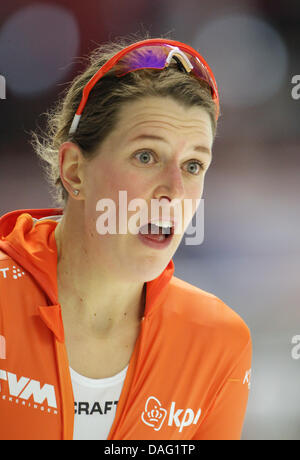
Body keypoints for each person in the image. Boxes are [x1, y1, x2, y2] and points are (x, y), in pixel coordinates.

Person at [0, 34, 252, 440]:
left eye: (192, 165)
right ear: (75, 171)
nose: (173, 190)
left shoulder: (217, 342)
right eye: (146, 156)